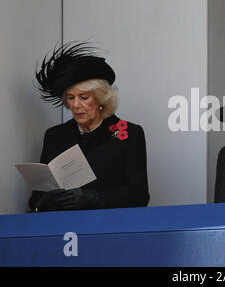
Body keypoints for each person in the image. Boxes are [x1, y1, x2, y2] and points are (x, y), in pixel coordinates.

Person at [29, 42, 150, 211]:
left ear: (101, 99)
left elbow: (139, 196)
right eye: (71, 98)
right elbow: (35, 200)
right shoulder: (55, 136)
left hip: (108, 227)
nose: (76, 105)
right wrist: (45, 202)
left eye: (84, 97)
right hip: (62, 228)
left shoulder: (129, 132)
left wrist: (93, 197)